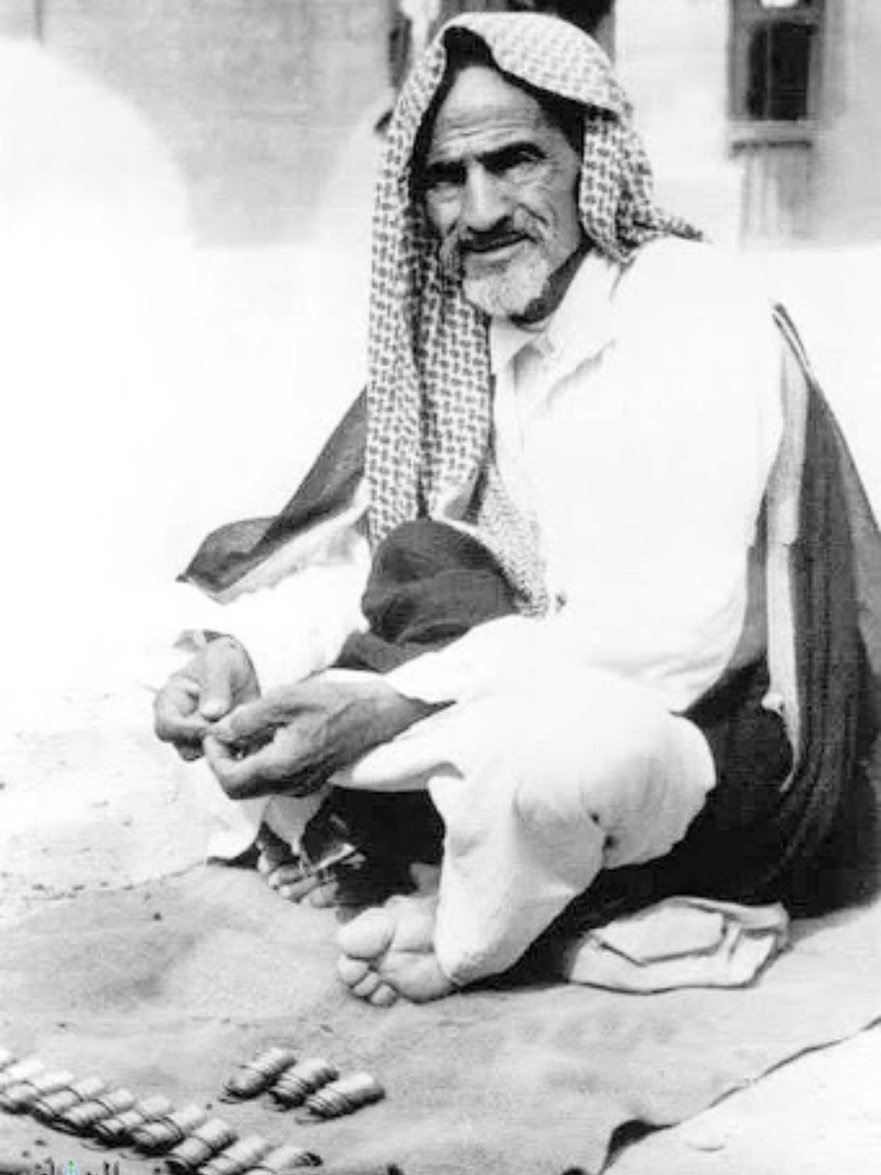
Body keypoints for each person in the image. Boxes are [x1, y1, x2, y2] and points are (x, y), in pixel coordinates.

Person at [154, 13, 881, 1006]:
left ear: (588, 161)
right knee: (307, 630)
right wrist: (246, 659)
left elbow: (671, 635)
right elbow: (376, 554)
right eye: (446, 178)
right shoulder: (462, 327)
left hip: (706, 731)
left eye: (514, 161)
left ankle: (459, 922)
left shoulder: (691, 313)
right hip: (504, 683)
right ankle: (474, 870)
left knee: (566, 760)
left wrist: (390, 706)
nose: (481, 209)